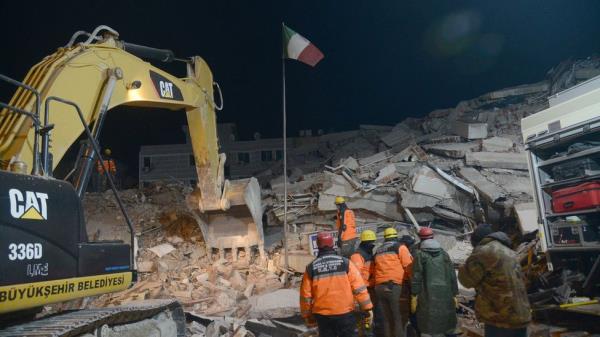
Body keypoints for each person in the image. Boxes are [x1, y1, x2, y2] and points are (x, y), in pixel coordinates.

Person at [458, 224, 531, 337]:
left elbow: (466, 281)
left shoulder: (482, 252)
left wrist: (464, 266)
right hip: (521, 315)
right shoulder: (510, 252)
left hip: (500, 318)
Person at [301, 232, 374, 337]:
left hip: (323, 315)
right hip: (345, 313)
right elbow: (359, 287)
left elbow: (305, 296)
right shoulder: (346, 263)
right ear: (332, 244)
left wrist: (307, 315)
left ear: (317, 245)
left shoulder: (311, 268)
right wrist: (367, 307)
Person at [410, 238, 458, 337]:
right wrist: (454, 293)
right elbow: (452, 274)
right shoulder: (444, 254)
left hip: (426, 292)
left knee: (427, 317)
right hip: (446, 292)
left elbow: (416, 276)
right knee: (445, 316)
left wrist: (414, 294)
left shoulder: (420, 255)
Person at [374, 227, 413, 337]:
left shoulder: (378, 249)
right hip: (393, 286)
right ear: (396, 236)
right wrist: (412, 284)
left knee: (386, 319)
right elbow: (409, 266)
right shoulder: (400, 247)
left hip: (379, 287)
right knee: (398, 318)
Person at [350, 230, 381, 337]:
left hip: (371, 289)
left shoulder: (369, 254)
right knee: (365, 316)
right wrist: (371, 282)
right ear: (364, 243)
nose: (372, 245)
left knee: (372, 315)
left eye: (373, 242)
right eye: (370, 243)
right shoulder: (357, 256)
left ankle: (370, 331)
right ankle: (366, 333)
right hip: (363, 290)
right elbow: (357, 278)